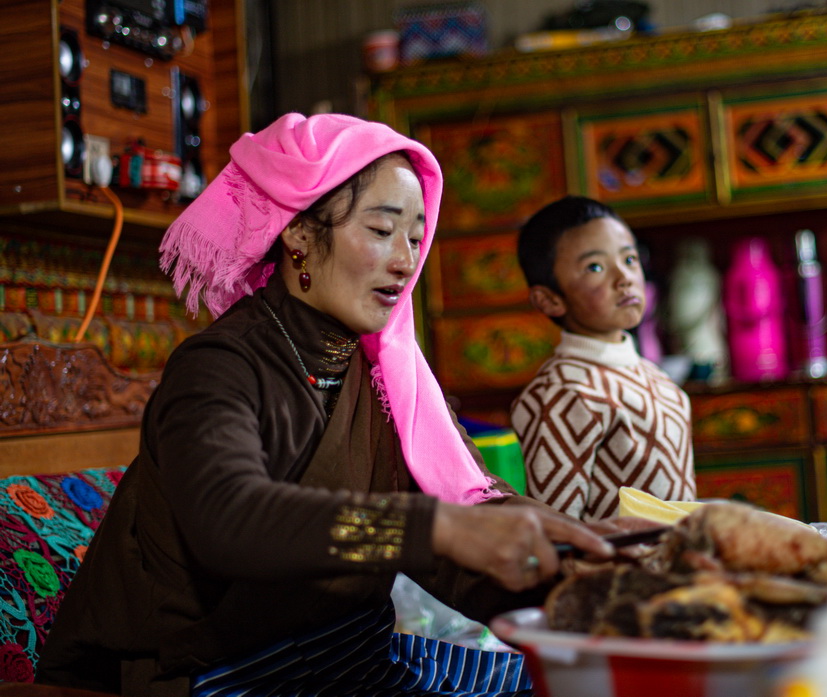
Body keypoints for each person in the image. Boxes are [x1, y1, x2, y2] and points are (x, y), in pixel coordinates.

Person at [35, 114, 614, 697]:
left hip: (353, 658)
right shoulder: (217, 367)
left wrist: (598, 576)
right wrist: (438, 528)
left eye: (416, 236)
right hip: (225, 675)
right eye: (383, 230)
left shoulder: (387, 378)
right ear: (299, 235)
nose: (405, 260)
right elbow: (230, 520)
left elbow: (460, 554)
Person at [510, 195, 696, 522]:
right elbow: (557, 528)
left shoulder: (650, 373)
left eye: (629, 259)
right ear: (550, 300)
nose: (624, 277)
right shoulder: (564, 392)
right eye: (595, 267)